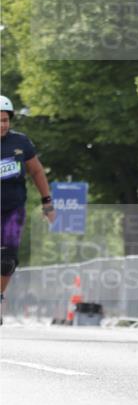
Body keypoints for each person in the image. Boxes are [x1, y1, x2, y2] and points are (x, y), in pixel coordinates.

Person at [1, 96, 56, 321]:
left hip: (13, 209)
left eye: (5, 120)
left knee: (7, 260)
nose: (2, 125)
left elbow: (37, 172)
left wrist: (47, 202)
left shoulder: (20, 142)